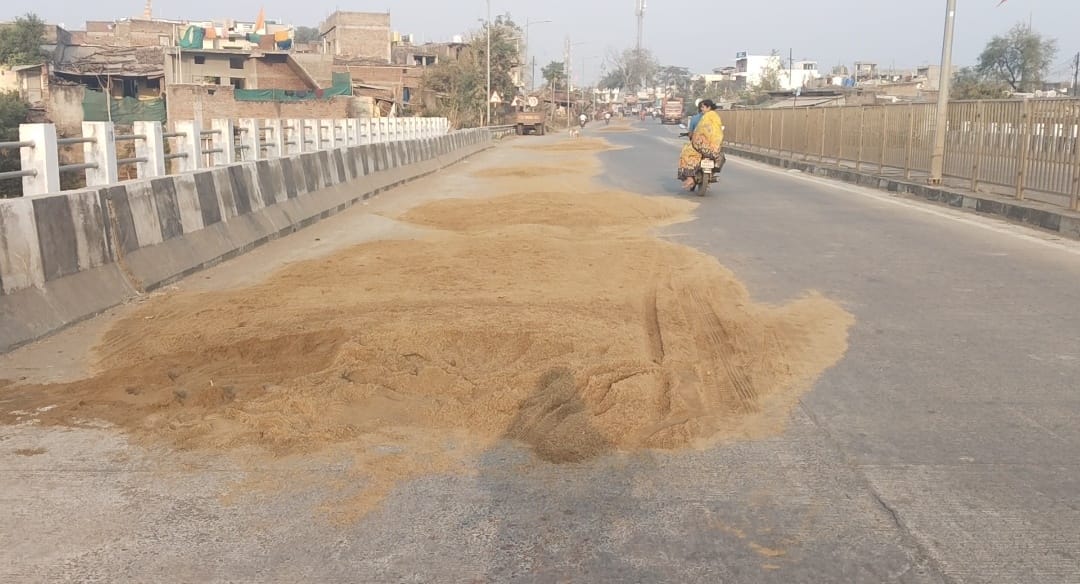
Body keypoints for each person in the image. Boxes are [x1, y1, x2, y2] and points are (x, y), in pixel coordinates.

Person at [677, 99, 723, 191]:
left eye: (703, 107)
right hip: (714, 148)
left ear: (708, 107)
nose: (702, 109)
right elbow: (718, 131)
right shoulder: (716, 117)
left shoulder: (702, 117)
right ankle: (710, 175)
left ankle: (689, 177)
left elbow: (698, 132)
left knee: (686, 153)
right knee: (721, 157)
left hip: (702, 146)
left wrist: (696, 138)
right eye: (701, 107)